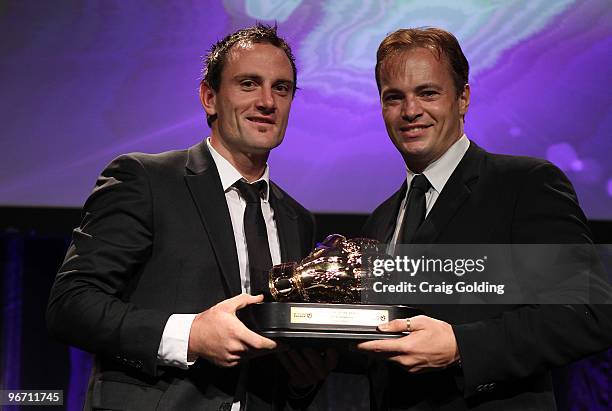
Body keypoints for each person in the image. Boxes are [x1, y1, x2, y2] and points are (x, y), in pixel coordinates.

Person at [47, 24, 335, 410]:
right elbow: (71, 304)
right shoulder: (146, 180)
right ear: (209, 97)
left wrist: (301, 382)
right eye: (249, 84)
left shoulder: (297, 219)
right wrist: (190, 335)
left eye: (281, 88)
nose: (267, 101)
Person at [357, 28, 612, 410]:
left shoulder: (524, 185)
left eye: (428, 93)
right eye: (394, 97)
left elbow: (588, 311)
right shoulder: (380, 219)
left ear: (463, 98)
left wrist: (462, 346)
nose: (410, 110)